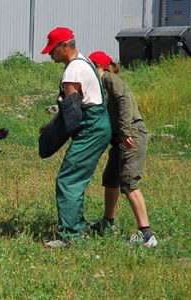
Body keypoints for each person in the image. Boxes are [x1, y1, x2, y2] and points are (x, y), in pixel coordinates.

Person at [40, 28, 111, 248]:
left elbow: (71, 114)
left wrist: (53, 134)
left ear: (64, 46)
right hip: (98, 124)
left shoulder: (73, 71)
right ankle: (77, 226)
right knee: (76, 178)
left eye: (53, 50)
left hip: (90, 128)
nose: (50, 54)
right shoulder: (85, 61)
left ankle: (70, 235)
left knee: (68, 179)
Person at [88, 51, 157, 247]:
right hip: (120, 138)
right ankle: (108, 223)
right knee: (111, 179)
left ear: (97, 66)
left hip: (131, 134)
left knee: (129, 182)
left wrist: (126, 131)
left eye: (90, 66)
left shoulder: (110, 78)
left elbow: (124, 101)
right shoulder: (100, 85)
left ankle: (146, 234)